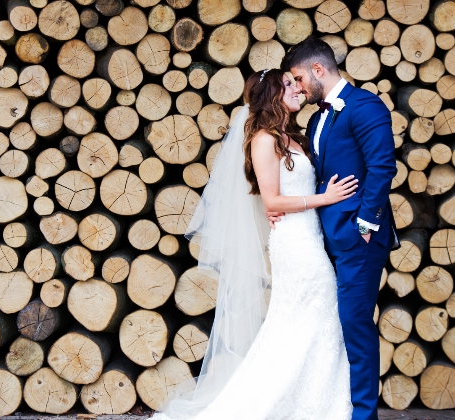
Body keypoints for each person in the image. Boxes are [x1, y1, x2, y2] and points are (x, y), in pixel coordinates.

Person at [151, 67, 356, 420]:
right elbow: (272, 202)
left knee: (306, 321)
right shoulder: (264, 139)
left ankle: (312, 401)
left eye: (295, 82)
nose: (296, 88)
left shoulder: (291, 137)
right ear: (271, 96)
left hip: (310, 237)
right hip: (295, 244)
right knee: (311, 313)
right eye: (287, 85)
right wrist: (326, 198)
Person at [276, 36, 398, 420]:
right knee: (332, 327)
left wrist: (364, 224)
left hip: (357, 239)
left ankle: (364, 416)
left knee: (355, 326)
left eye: (297, 78)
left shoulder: (365, 106)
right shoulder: (315, 118)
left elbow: (382, 167)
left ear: (318, 69)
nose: (295, 87)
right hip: (322, 239)